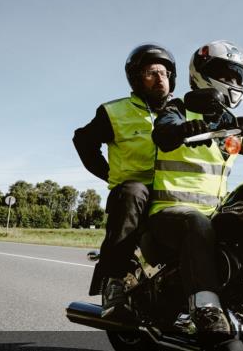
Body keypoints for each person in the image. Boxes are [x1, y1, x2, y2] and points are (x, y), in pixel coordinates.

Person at [148, 40, 243, 351]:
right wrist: (184, 128)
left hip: (213, 216)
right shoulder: (177, 108)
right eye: (225, 75)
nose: (232, 84)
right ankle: (206, 311)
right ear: (201, 74)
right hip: (172, 212)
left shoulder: (232, 125)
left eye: (238, 78)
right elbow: (163, 133)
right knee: (195, 222)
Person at [73, 43, 176, 317]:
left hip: (175, 193)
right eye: (151, 73)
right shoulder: (115, 112)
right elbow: (83, 140)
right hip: (133, 194)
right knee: (133, 191)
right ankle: (115, 279)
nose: (160, 78)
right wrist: (108, 174)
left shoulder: (182, 113)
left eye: (165, 72)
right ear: (136, 78)